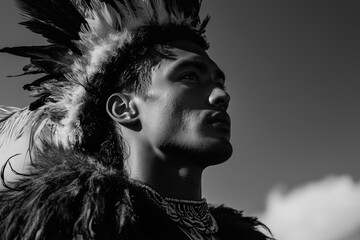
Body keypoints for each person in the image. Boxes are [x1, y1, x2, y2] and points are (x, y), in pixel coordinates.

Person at [0, 0, 273, 239]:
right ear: (123, 108)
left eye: (219, 83)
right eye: (190, 76)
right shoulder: (69, 226)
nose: (220, 95)